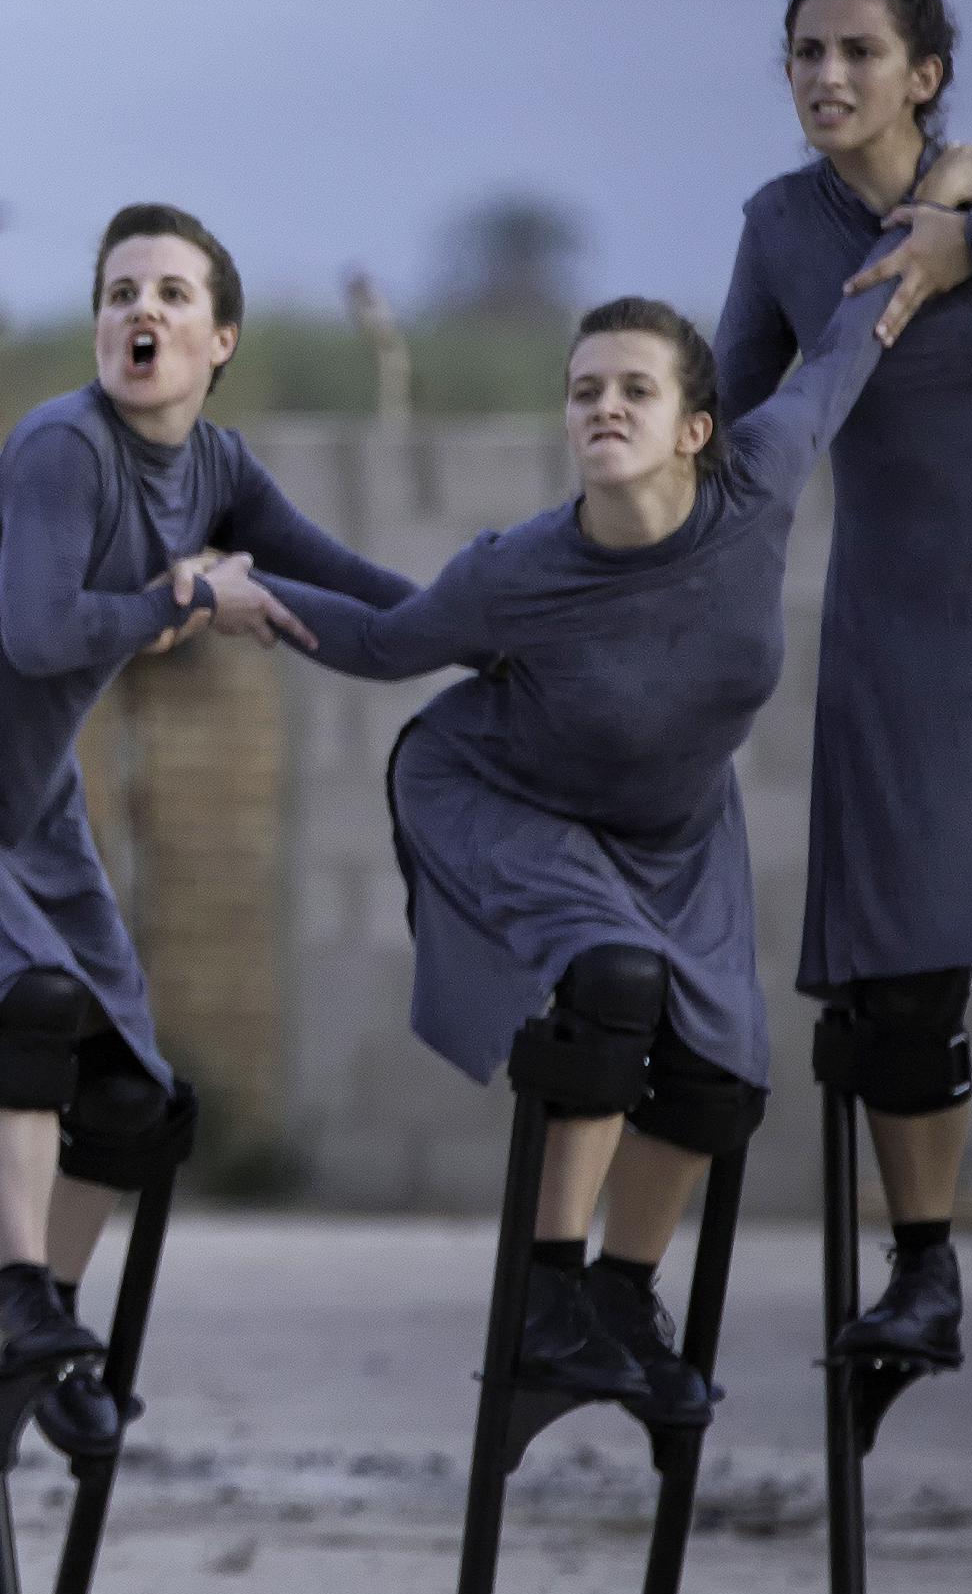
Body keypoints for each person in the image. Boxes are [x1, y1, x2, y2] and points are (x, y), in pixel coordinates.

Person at [0, 203, 414, 1454]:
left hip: (26, 805)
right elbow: (39, 633)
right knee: (27, 1001)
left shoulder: (220, 470)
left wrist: (491, 635)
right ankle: (20, 1296)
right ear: (99, 326)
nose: (142, 310)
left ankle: (47, 1330)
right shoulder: (59, 447)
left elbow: (351, 595)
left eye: (172, 293)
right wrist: (184, 595)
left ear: (219, 339)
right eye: (120, 291)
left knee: (137, 1096)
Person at [259, 269, 896, 1419]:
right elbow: (386, 643)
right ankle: (546, 1297)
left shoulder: (762, 476)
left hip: (678, 829)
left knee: (718, 1080)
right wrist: (237, 590)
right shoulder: (517, 570)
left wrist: (938, 227)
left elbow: (852, 339)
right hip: (504, 793)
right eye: (584, 389)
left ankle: (617, 1297)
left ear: (695, 428)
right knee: (613, 982)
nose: (604, 405)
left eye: (634, 389)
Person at [716, 0, 972, 1369]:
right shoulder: (779, 226)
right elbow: (735, 425)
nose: (827, 75)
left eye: (859, 51)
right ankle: (925, 1280)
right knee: (903, 986)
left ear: (923, 75)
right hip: (902, 641)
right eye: (807, 52)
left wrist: (969, 242)